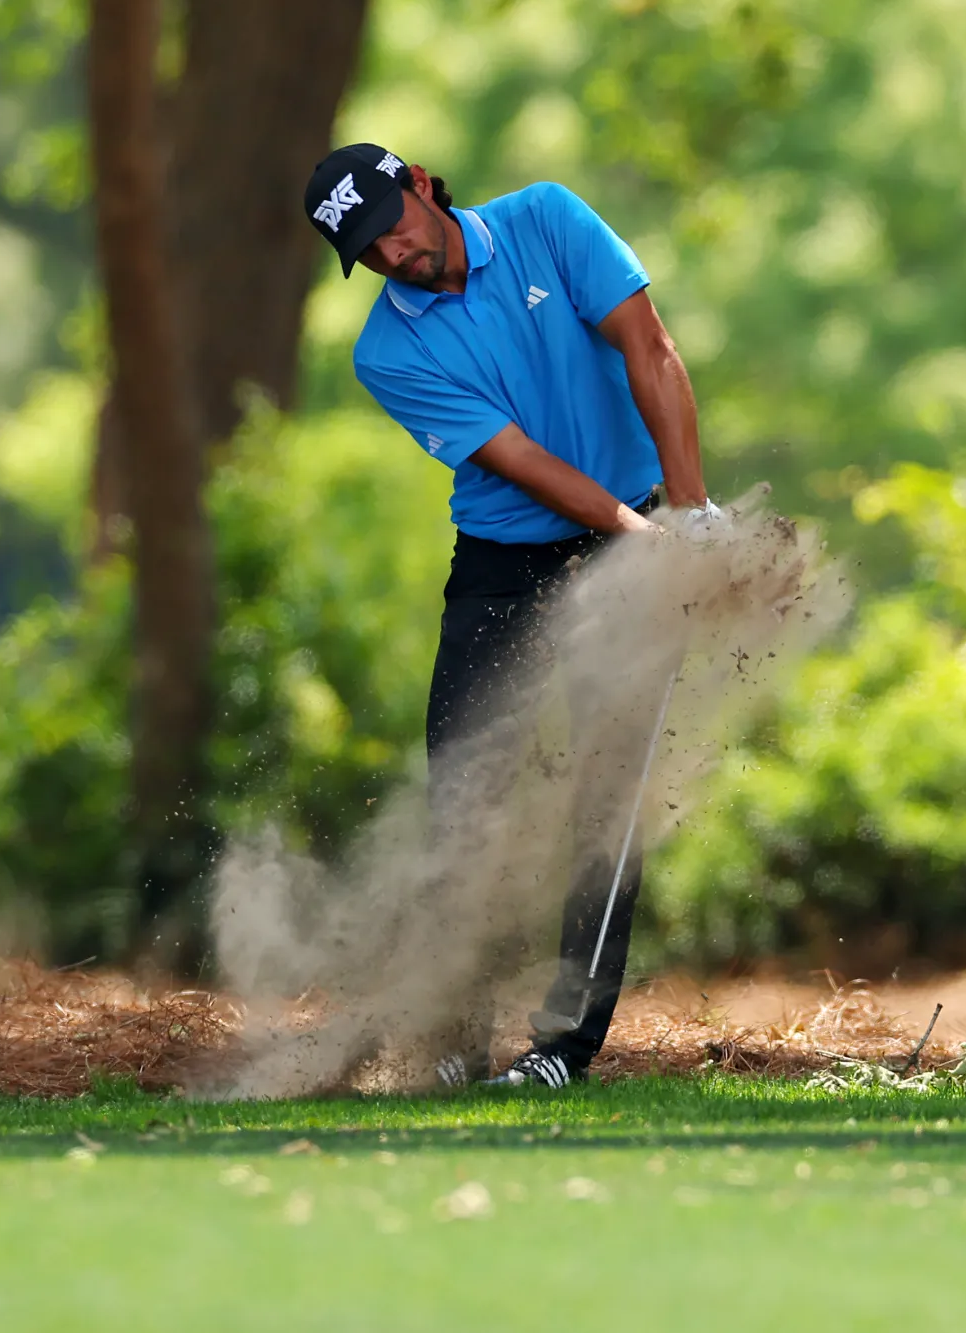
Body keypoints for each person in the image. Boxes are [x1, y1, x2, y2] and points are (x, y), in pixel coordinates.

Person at [303, 143, 719, 1088]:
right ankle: (453, 1042)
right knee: (465, 798)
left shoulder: (548, 220)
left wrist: (690, 522)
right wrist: (636, 535)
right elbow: (520, 460)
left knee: (607, 802)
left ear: (420, 186)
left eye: (391, 225)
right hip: (503, 564)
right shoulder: (388, 351)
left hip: (640, 525)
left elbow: (650, 346)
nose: (391, 254)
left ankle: (560, 1050)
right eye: (365, 251)